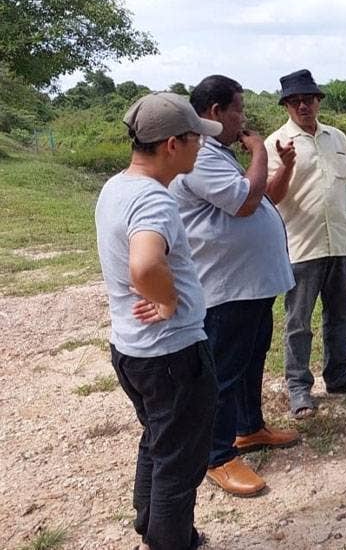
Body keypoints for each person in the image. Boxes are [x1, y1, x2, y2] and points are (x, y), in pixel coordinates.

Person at [95, 92, 222, 550]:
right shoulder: (154, 200)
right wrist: (168, 303)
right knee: (180, 461)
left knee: (158, 438)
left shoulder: (116, 187)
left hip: (132, 349)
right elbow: (145, 265)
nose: (201, 148)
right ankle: (171, 540)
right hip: (172, 354)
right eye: (195, 140)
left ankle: (151, 523)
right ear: (173, 144)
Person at [170, 75, 298, 497]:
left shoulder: (220, 155)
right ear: (214, 112)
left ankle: (249, 428)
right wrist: (260, 150)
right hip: (226, 288)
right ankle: (218, 455)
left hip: (250, 285)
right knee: (224, 371)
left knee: (249, 359)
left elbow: (259, 196)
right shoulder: (203, 156)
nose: (243, 117)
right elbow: (245, 202)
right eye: (238, 108)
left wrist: (276, 166)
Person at [264, 69, 346, 419]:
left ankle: (339, 375)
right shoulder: (276, 144)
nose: (303, 106)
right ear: (285, 105)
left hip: (340, 242)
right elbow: (271, 196)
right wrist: (284, 166)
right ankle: (299, 388)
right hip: (301, 246)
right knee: (298, 321)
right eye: (295, 101)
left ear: (317, 101)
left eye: (308, 99)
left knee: (341, 315)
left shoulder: (337, 139)